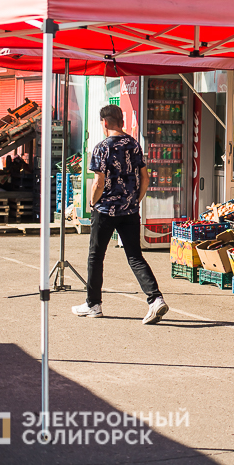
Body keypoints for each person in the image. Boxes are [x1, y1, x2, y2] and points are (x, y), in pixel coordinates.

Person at [72, 105, 169, 324]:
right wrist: (135, 200)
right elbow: (145, 179)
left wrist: (92, 202)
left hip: (105, 210)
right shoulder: (134, 144)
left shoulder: (101, 148)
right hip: (130, 211)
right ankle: (155, 299)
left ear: (104, 122)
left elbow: (99, 182)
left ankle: (93, 304)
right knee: (135, 256)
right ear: (121, 122)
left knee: (96, 256)